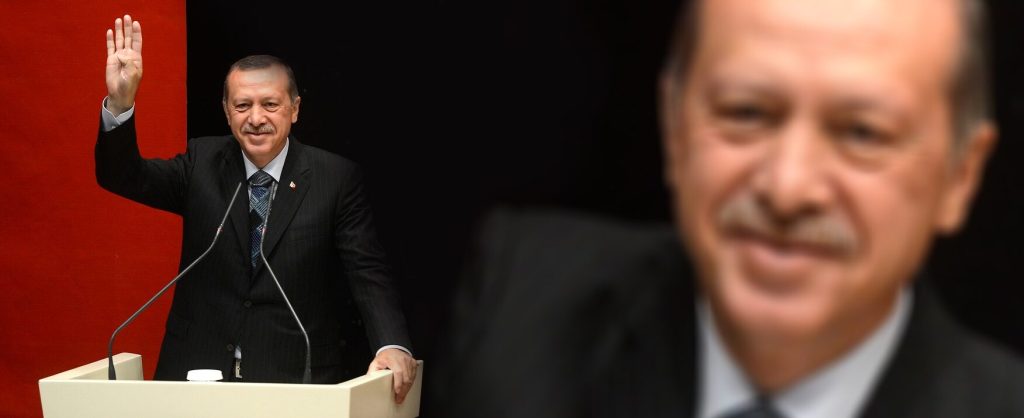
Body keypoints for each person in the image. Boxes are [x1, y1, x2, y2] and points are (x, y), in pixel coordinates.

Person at [445, 0, 1024, 417]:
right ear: (674, 127)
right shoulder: (518, 318)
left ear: (961, 175)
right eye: (746, 112)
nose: (788, 188)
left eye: (862, 133)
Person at [96, 15, 417, 402]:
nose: (256, 118)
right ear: (227, 111)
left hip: (294, 378)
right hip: (197, 376)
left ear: (294, 109)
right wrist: (120, 103)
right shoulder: (202, 162)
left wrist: (391, 343)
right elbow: (122, 176)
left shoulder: (334, 178)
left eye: (270, 104)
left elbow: (367, 271)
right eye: (243, 105)